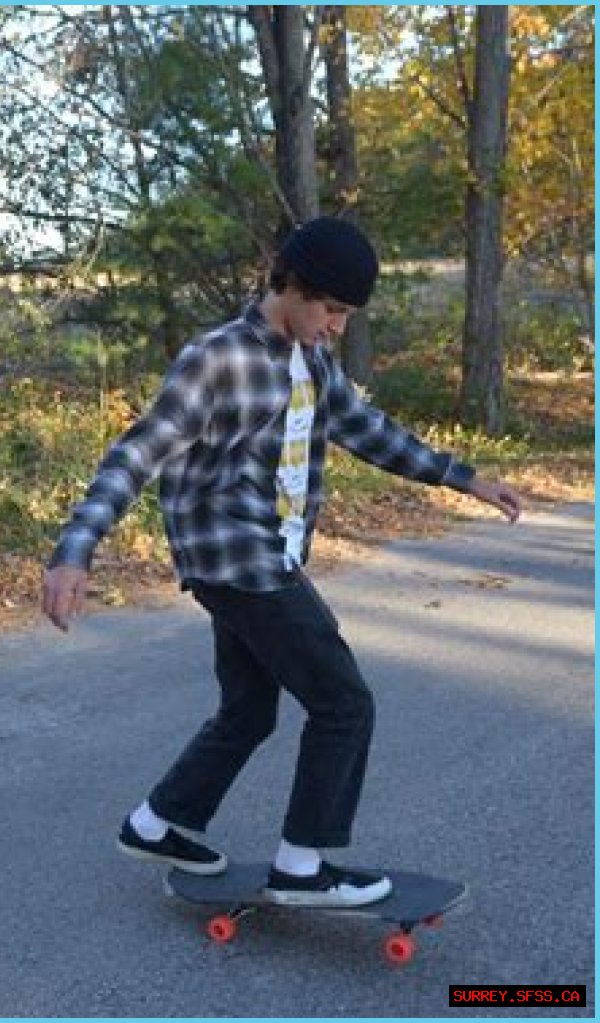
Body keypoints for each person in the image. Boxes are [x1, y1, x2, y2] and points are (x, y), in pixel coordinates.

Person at [42, 217, 522, 908]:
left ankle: (155, 823)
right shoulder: (218, 357)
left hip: (270, 556)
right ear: (289, 284)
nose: (335, 327)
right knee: (344, 702)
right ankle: (302, 867)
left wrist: (464, 477)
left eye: (347, 316)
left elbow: (367, 430)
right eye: (330, 309)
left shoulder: (315, 362)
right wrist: (74, 550)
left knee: (248, 708)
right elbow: (138, 452)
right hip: (238, 560)